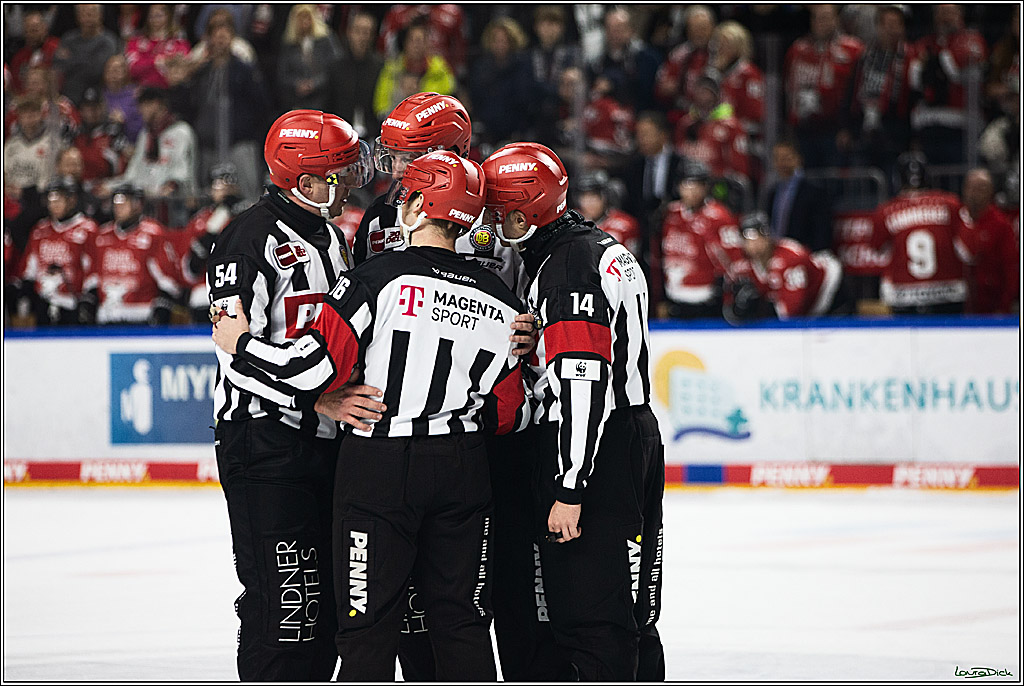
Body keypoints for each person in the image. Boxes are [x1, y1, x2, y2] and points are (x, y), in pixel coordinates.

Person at [211, 151, 530, 681]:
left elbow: (313, 368)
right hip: (463, 466)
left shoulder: (374, 278)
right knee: (463, 622)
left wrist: (241, 343)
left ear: (419, 206)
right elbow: (507, 411)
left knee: (367, 623)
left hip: (379, 467)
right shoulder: (502, 299)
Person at [482, 142, 665, 681]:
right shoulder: (592, 246)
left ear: (523, 215)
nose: (488, 225)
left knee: (592, 616)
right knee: (632, 612)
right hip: (627, 434)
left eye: (497, 213)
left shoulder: (566, 269)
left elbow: (582, 385)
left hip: (596, 447)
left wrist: (570, 486)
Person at [205, 109, 375, 681]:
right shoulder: (248, 237)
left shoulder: (333, 237)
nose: (350, 184)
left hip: (323, 444)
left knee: (326, 600)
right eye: (339, 174)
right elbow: (233, 353)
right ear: (305, 181)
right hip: (264, 444)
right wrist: (315, 401)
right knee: (284, 602)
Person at [869, 152, 971, 315]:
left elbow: (877, 249)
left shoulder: (885, 211)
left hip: (903, 296)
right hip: (949, 294)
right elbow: (968, 252)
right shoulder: (951, 203)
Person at [79, 183, 181, 325]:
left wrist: (162, 307)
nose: (119, 207)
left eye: (124, 202)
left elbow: (168, 277)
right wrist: (88, 301)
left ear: (138, 204)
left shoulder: (153, 234)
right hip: (107, 315)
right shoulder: (102, 236)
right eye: (116, 203)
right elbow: (93, 275)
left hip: (140, 315)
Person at [655, 160, 741, 319]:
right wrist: (661, 298)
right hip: (674, 299)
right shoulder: (670, 214)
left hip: (706, 301)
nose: (693, 191)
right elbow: (660, 257)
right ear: (679, 187)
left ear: (706, 187)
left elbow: (734, 261)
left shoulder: (719, 217)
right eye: (687, 184)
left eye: (698, 185)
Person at [783, 4, 865, 168]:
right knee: (808, 177)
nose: (820, 22)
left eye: (825, 17)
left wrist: (849, 128)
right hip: (803, 130)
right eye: (816, 18)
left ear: (836, 19)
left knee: (833, 177)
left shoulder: (853, 49)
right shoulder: (797, 50)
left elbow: (858, 92)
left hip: (836, 131)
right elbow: (786, 88)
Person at [13, 177, 98, 325]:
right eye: (51, 200)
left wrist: (89, 298)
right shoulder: (40, 230)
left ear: (72, 200)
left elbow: (94, 268)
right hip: (43, 302)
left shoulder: (87, 229)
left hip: (73, 304)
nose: (54, 205)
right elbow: (30, 267)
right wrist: (26, 291)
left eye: (59, 199)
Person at [909, 4, 987, 166]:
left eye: (950, 12)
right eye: (941, 13)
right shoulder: (924, 43)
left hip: (961, 125)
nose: (945, 18)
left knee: (957, 171)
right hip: (928, 124)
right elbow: (914, 80)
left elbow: (954, 73)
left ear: (960, 14)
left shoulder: (971, 40)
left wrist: (936, 59)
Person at [736, 212, 850, 320]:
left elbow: (793, 309)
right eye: (747, 240)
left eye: (756, 238)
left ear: (767, 237)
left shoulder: (789, 259)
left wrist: (766, 310)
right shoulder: (744, 264)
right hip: (806, 301)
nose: (752, 245)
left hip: (828, 287)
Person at [958, 168, 1019, 314]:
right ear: (964, 189)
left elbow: (1011, 268)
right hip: (959, 304)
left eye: (981, 188)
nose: (975, 193)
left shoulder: (1001, 224)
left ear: (990, 192)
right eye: (971, 187)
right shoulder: (955, 220)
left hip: (991, 305)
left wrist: (1004, 306)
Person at [372, 18, 457, 121]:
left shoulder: (440, 70)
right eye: (412, 40)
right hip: (396, 124)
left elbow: (448, 107)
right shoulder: (392, 70)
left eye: (420, 40)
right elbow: (381, 107)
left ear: (428, 44)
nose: (416, 45)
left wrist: (418, 95)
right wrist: (402, 96)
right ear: (405, 43)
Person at [764, 140, 834, 253]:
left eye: (786, 158)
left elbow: (822, 229)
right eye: (778, 159)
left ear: (798, 159)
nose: (782, 163)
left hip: (803, 253)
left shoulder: (814, 191)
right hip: (778, 254)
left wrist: (813, 255)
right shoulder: (773, 192)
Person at [328, 12, 385, 138]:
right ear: (349, 33)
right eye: (358, 31)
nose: (362, 37)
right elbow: (328, 104)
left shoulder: (381, 67)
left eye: (366, 32)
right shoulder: (335, 67)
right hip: (340, 134)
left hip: (373, 135)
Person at [276, 5, 342, 112]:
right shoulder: (289, 45)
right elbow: (283, 74)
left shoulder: (326, 40)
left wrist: (315, 84)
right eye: (300, 18)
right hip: (297, 102)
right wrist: (297, 84)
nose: (304, 22)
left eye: (307, 17)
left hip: (324, 100)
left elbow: (335, 67)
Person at [53, 4, 120, 105]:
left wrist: (71, 59)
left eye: (91, 13)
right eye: (83, 13)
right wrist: (87, 59)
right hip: (67, 96)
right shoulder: (68, 39)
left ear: (100, 15)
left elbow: (96, 69)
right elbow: (58, 65)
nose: (88, 17)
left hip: (97, 97)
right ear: (78, 16)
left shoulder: (108, 41)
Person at [124, 4, 191, 89]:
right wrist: (157, 61)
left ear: (168, 16)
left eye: (159, 15)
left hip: (171, 90)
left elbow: (183, 67)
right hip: (142, 90)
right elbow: (132, 68)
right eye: (151, 15)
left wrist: (148, 63)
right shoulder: (136, 42)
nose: (155, 19)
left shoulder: (179, 43)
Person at [575, 170, 641, 257]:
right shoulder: (572, 223)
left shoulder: (625, 225)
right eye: (584, 197)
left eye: (594, 196)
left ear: (606, 197)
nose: (589, 203)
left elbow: (632, 260)